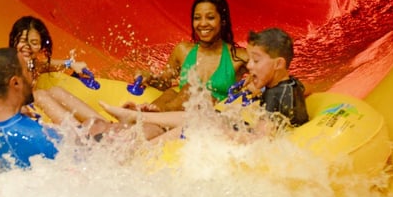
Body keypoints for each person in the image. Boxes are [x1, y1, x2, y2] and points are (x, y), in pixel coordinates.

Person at [99, 27, 308, 136]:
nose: (250, 66)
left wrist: (223, 131)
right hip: (233, 119)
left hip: (233, 132)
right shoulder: (289, 86)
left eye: (256, 61)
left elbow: (261, 139)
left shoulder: (276, 94)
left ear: (279, 64)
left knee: (202, 119)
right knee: (203, 114)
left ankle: (135, 118)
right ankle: (137, 117)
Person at [134, 0, 246, 112]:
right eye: (197, 18)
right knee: (170, 93)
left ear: (223, 21)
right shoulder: (183, 50)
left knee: (193, 89)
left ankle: (154, 114)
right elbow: (164, 83)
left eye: (210, 17)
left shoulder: (239, 57)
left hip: (211, 116)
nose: (202, 23)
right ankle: (141, 119)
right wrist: (149, 77)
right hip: (180, 110)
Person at [242, 27, 308, 127]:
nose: (248, 65)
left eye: (255, 60)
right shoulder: (293, 83)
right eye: (249, 60)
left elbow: (264, 135)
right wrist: (260, 91)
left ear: (278, 64)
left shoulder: (272, 95)